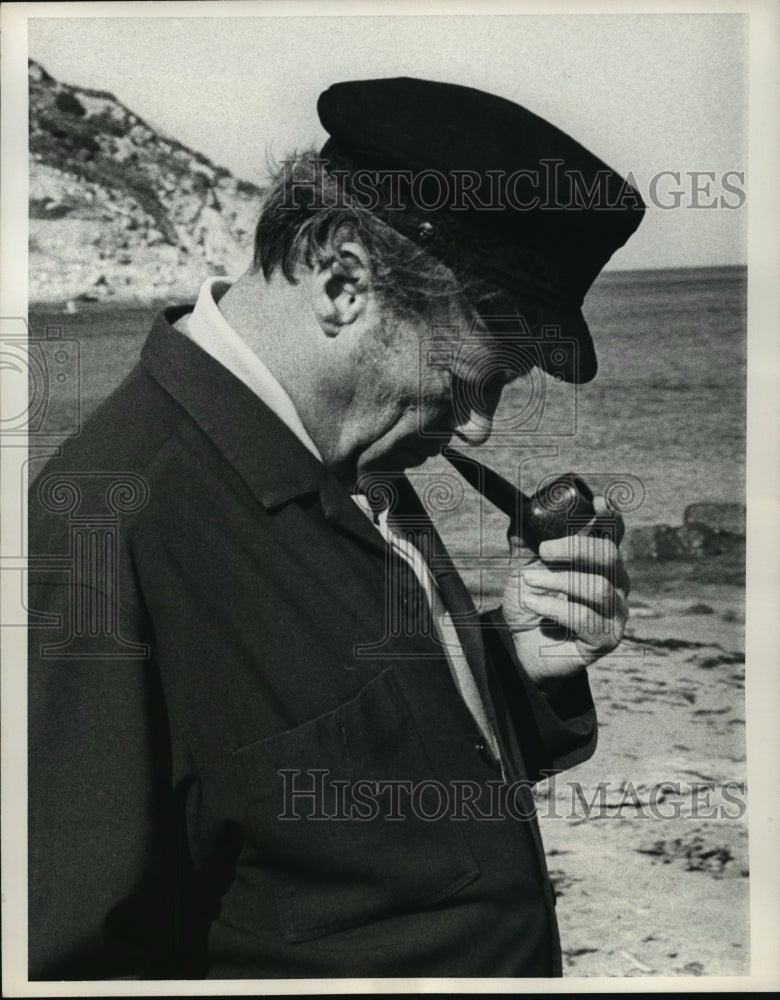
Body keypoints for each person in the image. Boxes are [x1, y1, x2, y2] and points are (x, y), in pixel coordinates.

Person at [27, 77, 644, 979]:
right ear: (342, 280)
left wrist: (513, 670)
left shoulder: (355, 445)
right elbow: (71, 959)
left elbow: (337, 792)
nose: (478, 426)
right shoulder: (101, 530)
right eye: (479, 377)